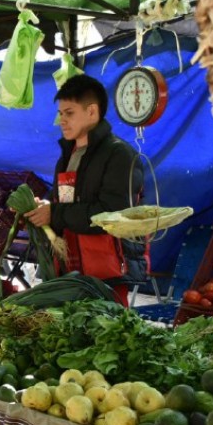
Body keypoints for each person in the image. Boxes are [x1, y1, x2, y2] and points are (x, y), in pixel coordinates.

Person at [25, 74, 147, 306]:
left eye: (69, 113)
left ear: (92, 112)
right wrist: (43, 209)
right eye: (60, 114)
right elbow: (65, 200)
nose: (62, 121)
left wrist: (55, 213)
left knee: (107, 327)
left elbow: (114, 215)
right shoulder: (67, 156)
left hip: (106, 273)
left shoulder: (120, 155)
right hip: (69, 269)